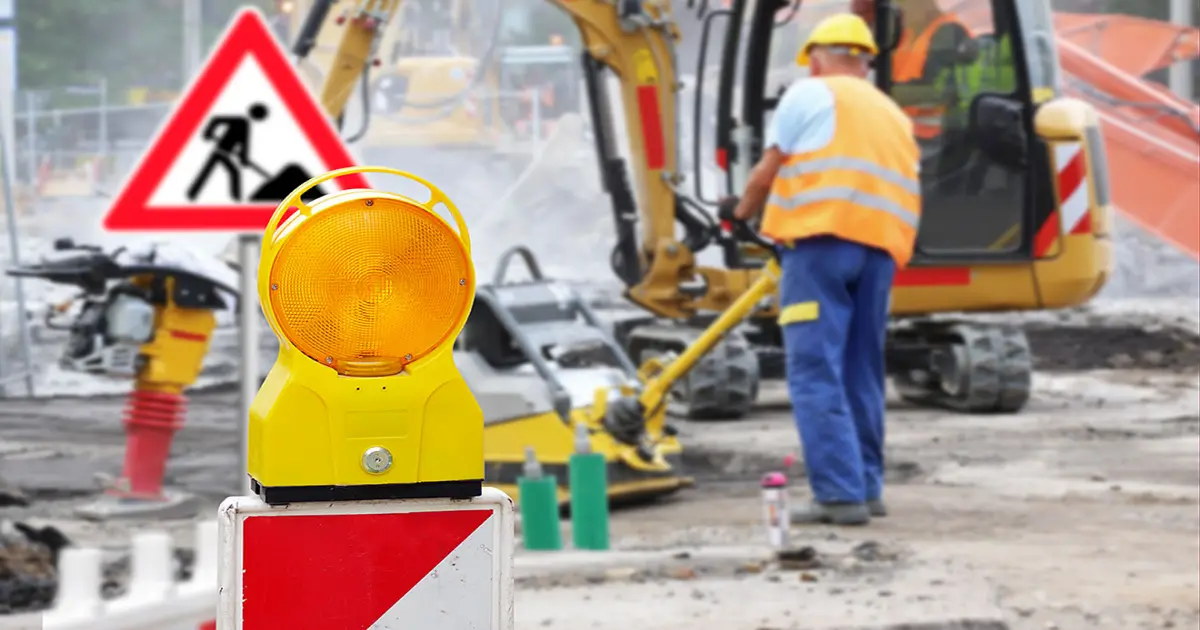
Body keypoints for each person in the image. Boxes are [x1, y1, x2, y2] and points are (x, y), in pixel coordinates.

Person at [719, 13, 921, 526]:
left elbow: (767, 171)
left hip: (820, 247)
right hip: (878, 253)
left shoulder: (809, 95)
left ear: (816, 57)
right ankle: (866, 488)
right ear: (866, 62)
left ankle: (837, 495)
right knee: (861, 371)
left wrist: (738, 214)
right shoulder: (893, 113)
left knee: (815, 370)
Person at [853, 0, 972, 141]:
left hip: (935, 138)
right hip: (901, 129)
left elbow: (936, 89)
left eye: (906, 4)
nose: (901, 10)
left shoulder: (950, 32)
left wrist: (874, 95)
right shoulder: (904, 35)